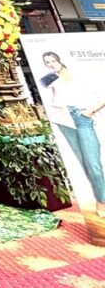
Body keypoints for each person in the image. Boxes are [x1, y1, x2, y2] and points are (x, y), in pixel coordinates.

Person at [41, 51, 105, 217]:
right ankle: (100, 198)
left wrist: (90, 111)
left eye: (53, 61)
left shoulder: (79, 73)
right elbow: (43, 84)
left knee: (93, 163)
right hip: (65, 120)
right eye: (47, 62)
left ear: (60, 59)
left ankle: (102, 201)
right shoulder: (52, 78)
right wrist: (53, 74)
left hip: (83, 117)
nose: (51, 64)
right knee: (84, 163)